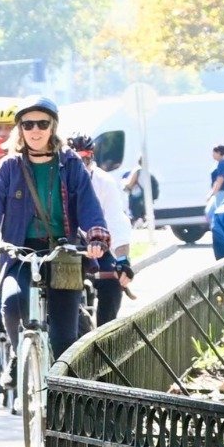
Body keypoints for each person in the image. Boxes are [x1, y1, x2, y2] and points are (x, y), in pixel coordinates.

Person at [0, 97, 109, 361]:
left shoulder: (70, 164)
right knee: (12, 303)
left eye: (42, 124)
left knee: (63, 337)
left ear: (53, 126)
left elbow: (89, 205)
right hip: (20, 252)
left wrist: (96, 236)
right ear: (20, 129)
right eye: (28, 124)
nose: (35, 130)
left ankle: (59, 384)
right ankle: (19, 357)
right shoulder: (8, 167)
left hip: (63, 253)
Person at [68, 135, 137, 325]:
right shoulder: (57, 178)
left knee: (112, 284)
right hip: (67, 245)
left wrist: (122, 259)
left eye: (85, 159)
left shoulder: (104, 181)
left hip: (98, 244)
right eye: (75, 160)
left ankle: (105, 333)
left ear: (92, 157)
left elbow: (116, 221)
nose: (80, 165)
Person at [208, 142, 224, 221]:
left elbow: (220, 181)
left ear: (219, 153)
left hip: (222, 192)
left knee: (219, 215)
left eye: (214, 153)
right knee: (210, 213)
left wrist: (212, 194)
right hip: (219, 193)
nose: (212, 155)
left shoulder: (222, 164)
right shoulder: (220, 163)